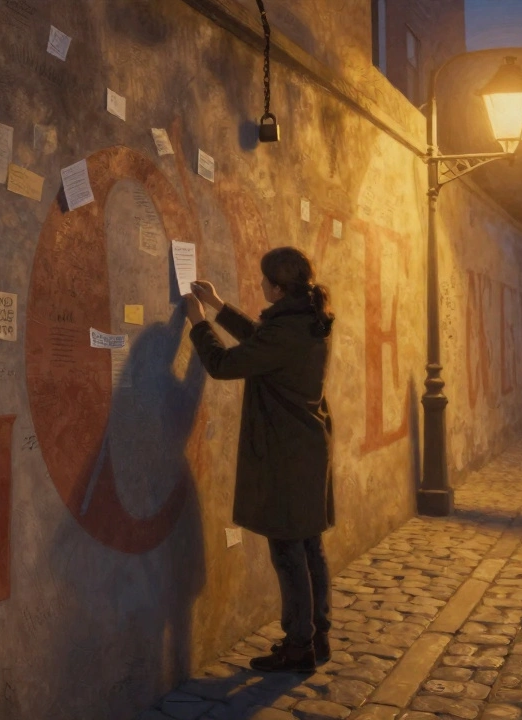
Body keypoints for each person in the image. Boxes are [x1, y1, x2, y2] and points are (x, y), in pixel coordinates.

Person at [183, 247, 335, 674]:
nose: (260, 285)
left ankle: (298, 645)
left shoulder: (287, 329)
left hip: (287, 454)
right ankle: (318, 636)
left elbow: (224, 364)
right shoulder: (306, 319)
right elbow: (262, 342)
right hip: (306, 448)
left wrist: (198, 324)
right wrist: (217, 306)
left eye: (264, 280)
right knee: (309, 545)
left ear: (279, 287)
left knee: (288, 550)